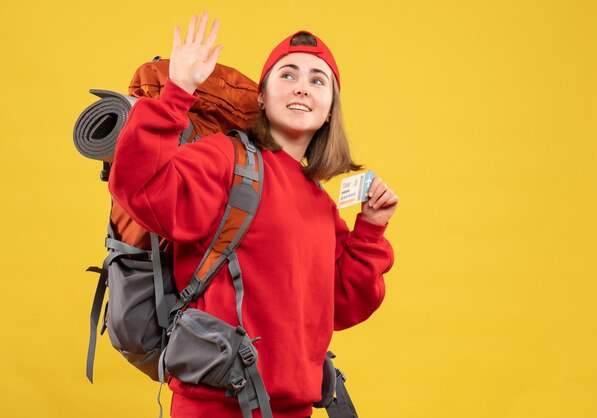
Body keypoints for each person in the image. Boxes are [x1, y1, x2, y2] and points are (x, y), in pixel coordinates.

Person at [109, 11, 399, 418]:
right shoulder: (227, 159)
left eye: (318, 80)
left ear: (331, 107)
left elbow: (342, 305)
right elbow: (141, 189)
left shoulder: (320, 204)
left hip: (294, 409)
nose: (302, 87)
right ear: (262, 96)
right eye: (288, 75)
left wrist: (369, 230)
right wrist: (178, 91)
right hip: (213, 408)